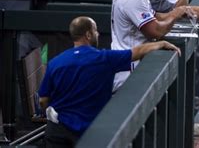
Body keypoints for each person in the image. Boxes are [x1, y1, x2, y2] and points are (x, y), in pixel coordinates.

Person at [38, 16, 180, 147]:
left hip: (58, 129)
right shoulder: (104, 59)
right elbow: (138, 51)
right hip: (90, 132)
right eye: (95, 31)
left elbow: (43, 100)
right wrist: (161, 43)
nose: (98, 34)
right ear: (88, 35)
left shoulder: (55, 63)